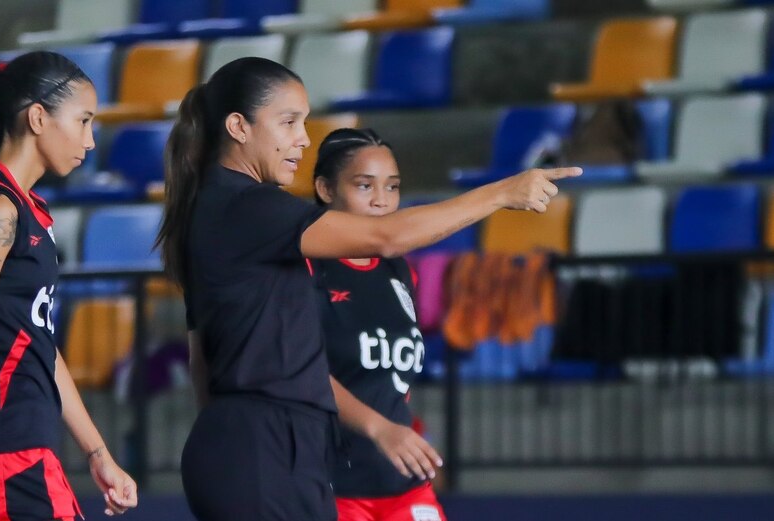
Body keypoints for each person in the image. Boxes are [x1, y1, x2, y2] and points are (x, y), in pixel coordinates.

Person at [156, 57, 579, 521]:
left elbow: (202, 360)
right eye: (289, 122)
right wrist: (500, 193)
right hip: (264, 451)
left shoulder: (217, 207)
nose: (303, 138)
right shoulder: (248, 206)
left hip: (260, 451)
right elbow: (386, 236)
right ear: (238, 126)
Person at [0, 52, 138, 521]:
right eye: (83, 121)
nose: (91, 141)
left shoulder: (27, 208)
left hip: (24, 450)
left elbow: (39, 343)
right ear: (38, 117)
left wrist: (98, 453)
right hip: (1, 455)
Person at [309, 128, 446, 521]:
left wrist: (410, 437)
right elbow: (301, 371)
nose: (382, 201)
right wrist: (379, 429)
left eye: (392, 187)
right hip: (332, 485)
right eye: (364, 186)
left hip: (401, 483)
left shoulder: (399, 269)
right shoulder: (305, 267)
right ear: (325, 188)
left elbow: (389, 383)